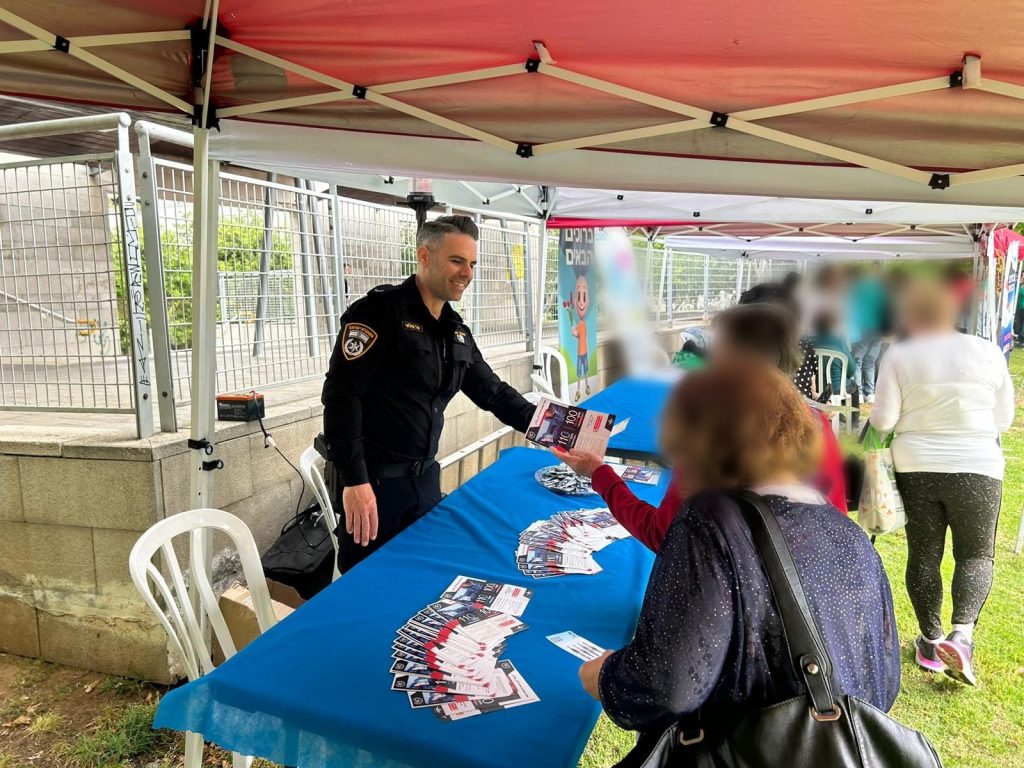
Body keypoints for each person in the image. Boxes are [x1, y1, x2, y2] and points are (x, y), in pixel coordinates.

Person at [577, 360, 900, 740]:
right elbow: (885, 680)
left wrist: (606, 677)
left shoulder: (709, 521)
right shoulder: (849, 535)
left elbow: (666, 685)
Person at [320, 215, 535, 572]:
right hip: (374, 488)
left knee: (421, 582)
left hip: (424, 484)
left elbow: (493, 393)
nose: (467, 273)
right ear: (424, 256)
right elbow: (343, 397)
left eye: (471, 263)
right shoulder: (378, 312)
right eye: (456, 260)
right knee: (368, 589)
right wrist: (355, 480)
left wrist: (557, 428)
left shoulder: (455, 330)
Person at [553, 303, 849, 554]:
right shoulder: (817, 424)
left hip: (727, 611)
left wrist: (599, 475)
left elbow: (663, 536)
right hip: (812, 602)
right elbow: (837, 518)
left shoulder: (711, 437)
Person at [870, 278, 1014, 685]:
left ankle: (931, 640)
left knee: (924, 554)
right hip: (979, 465)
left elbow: (883, 420)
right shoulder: (988, 351)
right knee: (976, 555)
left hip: (916, 464)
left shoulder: (900, 353)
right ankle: (962, 636)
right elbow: (1002, 419)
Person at [847, 263, 888, 403]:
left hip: (862, 328)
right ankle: (869, 392)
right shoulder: (882, 289)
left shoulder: (859, 286)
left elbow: (852, 306)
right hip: (877, 329)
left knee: (857, 361)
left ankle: (857, 393)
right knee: (870, 362)